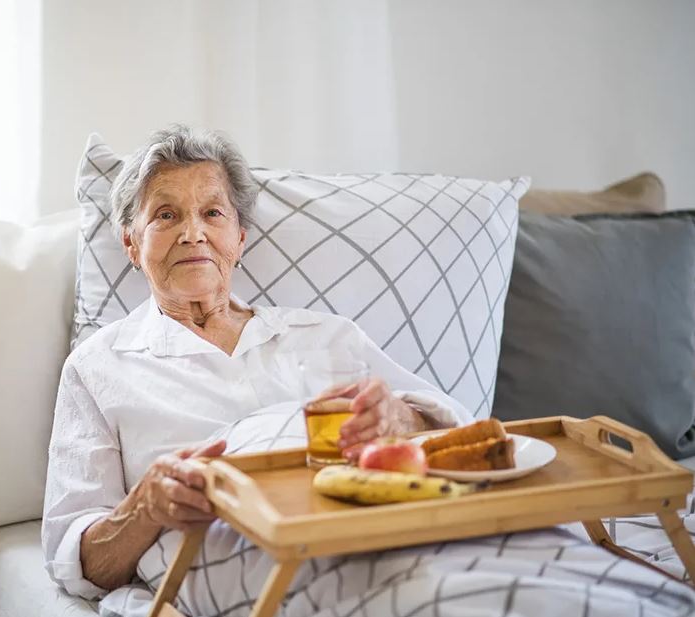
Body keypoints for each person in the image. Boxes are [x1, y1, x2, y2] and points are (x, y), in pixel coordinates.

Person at [42, 125, 470, 598]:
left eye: (212, 213)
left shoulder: (329, 336)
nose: (192, 233)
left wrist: (404, 419)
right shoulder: (98, 368)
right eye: (166, 215)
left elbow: (468, 443)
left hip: (389, 539)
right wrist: (144, 508)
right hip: (259, 573)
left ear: (239, 238)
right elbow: (78, 561)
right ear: (131, 244)